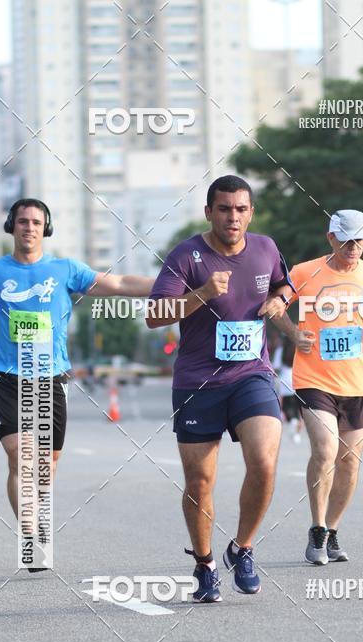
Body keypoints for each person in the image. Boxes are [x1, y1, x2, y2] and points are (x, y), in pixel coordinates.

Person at [0, 197, 155, 571]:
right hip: (9, 379)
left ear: (46, 228)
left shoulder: (65, 270)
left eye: (37, 222)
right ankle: (30, 532)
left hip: (52, 381)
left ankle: (35, 516)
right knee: (21, 459)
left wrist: (172, 284)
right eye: (23, 221)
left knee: (44, 470)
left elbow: (121, 282)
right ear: (12, 226)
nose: (30, 228)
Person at [148, 175, 290, 602]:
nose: (234, 217)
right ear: (209, 212)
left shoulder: (265, 248)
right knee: (200, 482)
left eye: (241, 209)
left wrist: (281, 301)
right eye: (225, 209)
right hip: (198, 383)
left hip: (252, 375)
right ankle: (205, 563)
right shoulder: (187, 255)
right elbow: (155, 315)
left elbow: (285, 284)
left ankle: (242, 548)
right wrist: (202, 293)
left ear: (251, 212)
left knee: (264, 461)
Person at [273, 209, 363, 565]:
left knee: (349, 464)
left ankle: (332, 529)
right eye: (346, 240)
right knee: (326, 450)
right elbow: (275, 306)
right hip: (313, 379)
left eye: (360, 240)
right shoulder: (303, 272)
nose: (353, 246)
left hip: (357, 382)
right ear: (331, 238)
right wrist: (294, 333)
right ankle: (316, 528)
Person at [272, 336, 303, 443]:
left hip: (285, 381)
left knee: (287, 407)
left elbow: (275, 367)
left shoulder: (280, 350)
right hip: (297, 380)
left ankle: (291, 421)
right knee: (298, 409)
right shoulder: (299, 349)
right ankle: (297, 432)